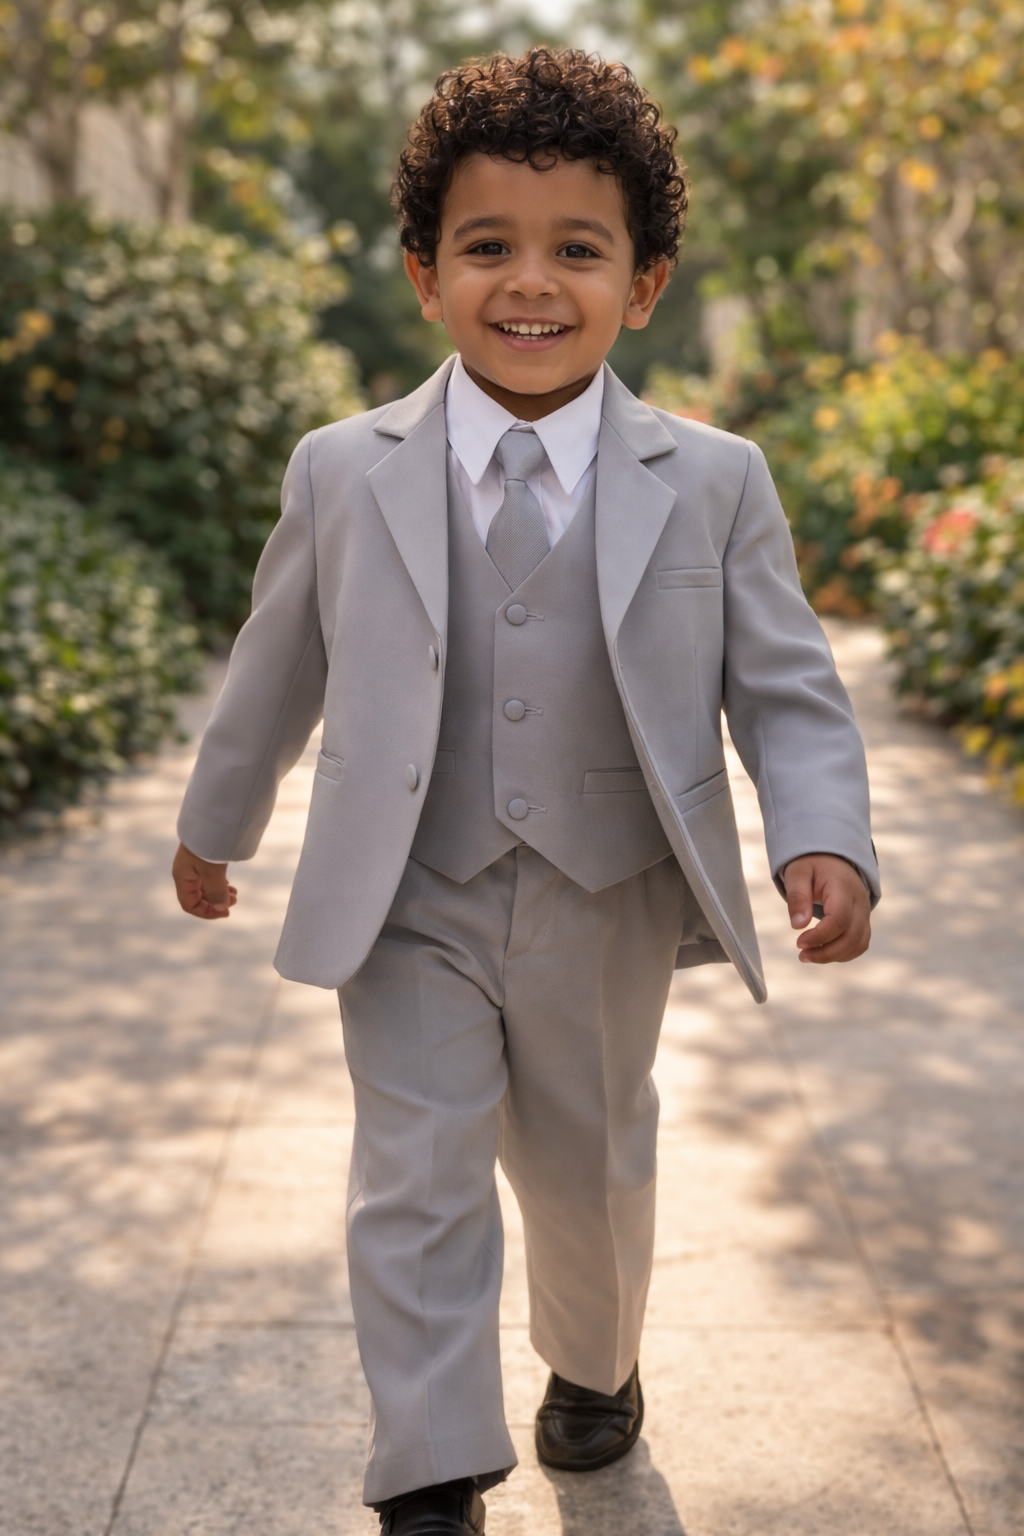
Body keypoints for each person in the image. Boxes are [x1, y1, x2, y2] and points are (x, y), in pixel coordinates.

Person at [172, 47, 878, 1536]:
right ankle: (431, 1468)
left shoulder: (714, 479)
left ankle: (596, 1363)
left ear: (648, 279)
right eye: (487, 246)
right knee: (414, 1173)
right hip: (407, 886)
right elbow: (276, 661)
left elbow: (788, 681)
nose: (531, 281)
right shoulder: (341, 468)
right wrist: (214, 821)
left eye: (579, 248)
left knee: (587, 1162)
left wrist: (823, 834)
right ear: (427, 276)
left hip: (609, 887)